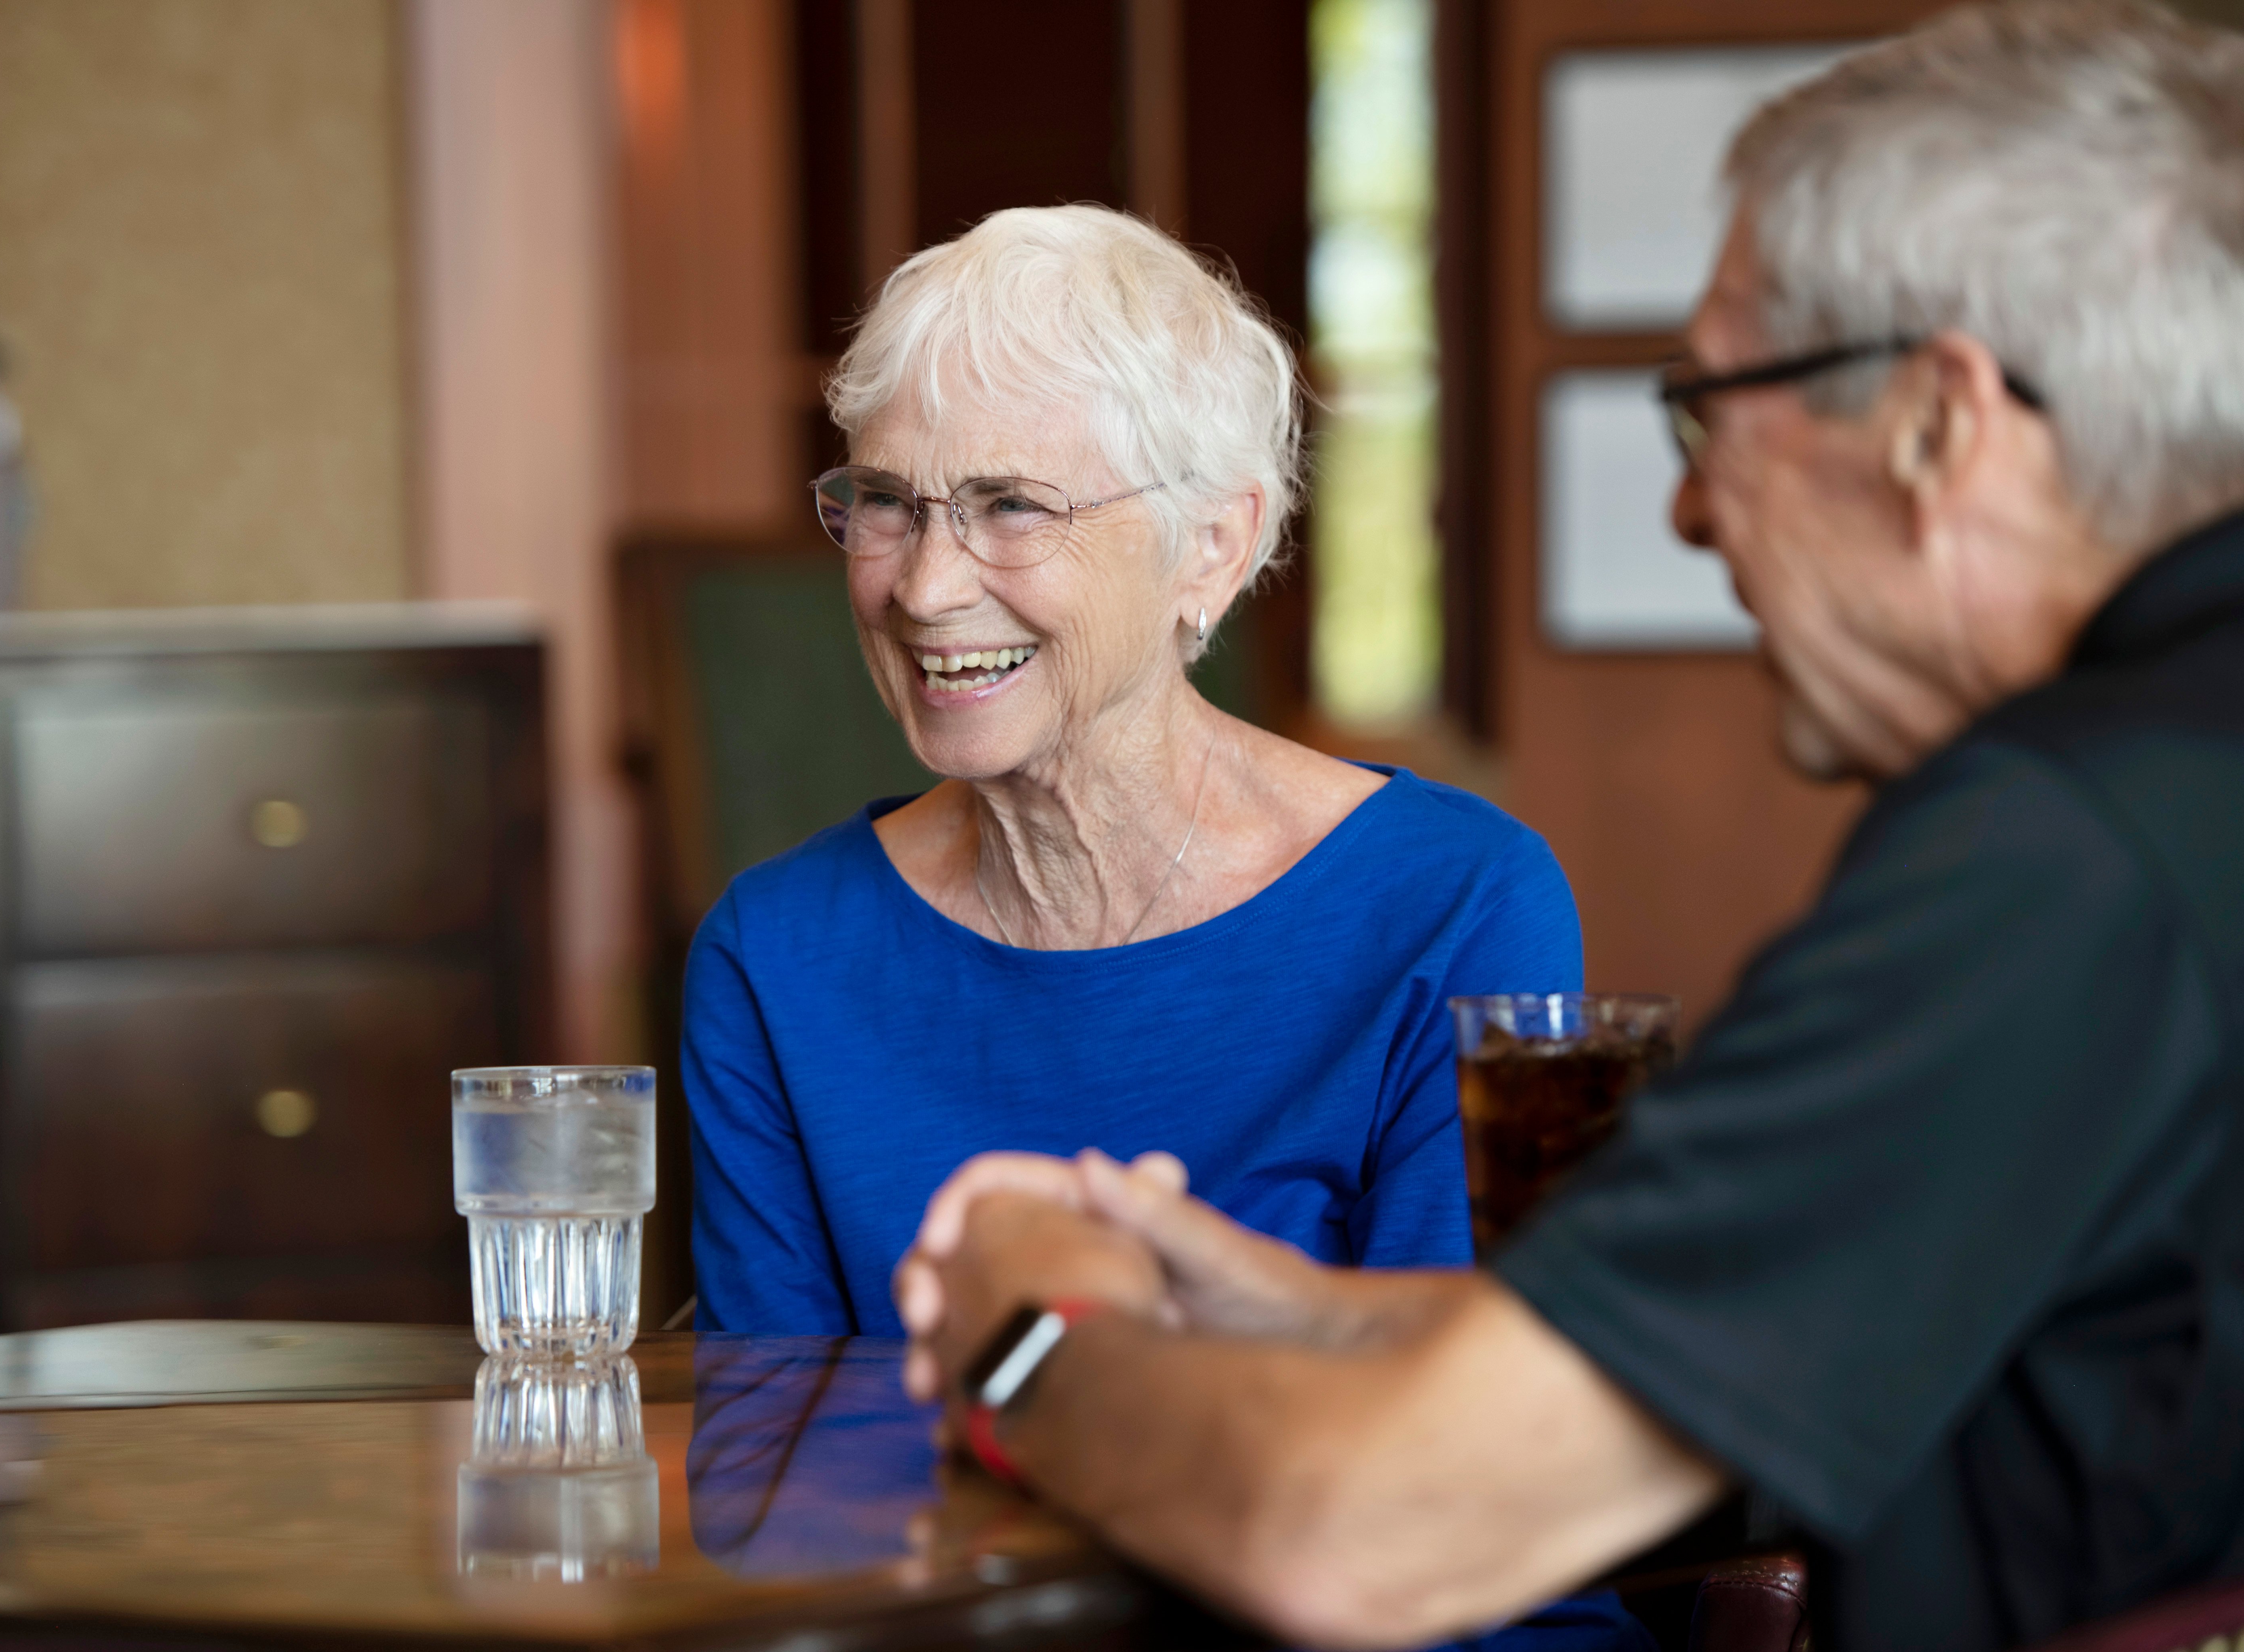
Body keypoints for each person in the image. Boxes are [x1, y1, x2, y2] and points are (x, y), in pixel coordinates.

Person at [891, 5, 2244, 1650]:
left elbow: (1360, 1537)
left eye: (1712, 407)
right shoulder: (2175, 795)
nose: (1685, 507)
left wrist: (1033, 1337)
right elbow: (1775, 1356)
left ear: (1938, 425)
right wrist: (1306, 1314)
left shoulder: (2055, 861)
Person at [681, 206, 1582, 1338]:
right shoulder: (774, 956)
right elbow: (778, 1456)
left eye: (1010, 505)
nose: (923, 588)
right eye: (889, 505)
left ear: (1212, 544)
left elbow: (1474, 1413)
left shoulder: (1457, 906)